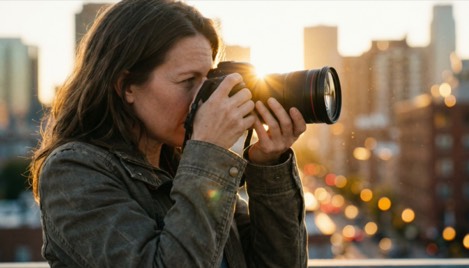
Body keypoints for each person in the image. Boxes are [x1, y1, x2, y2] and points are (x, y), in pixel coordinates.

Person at [30, 0, 308, 267]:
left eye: (207, 80)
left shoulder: (185, 166)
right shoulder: (73, 171)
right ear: (126, 85)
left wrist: (269, 166)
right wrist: (208, 153)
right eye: (187, 81)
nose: (205, 97)